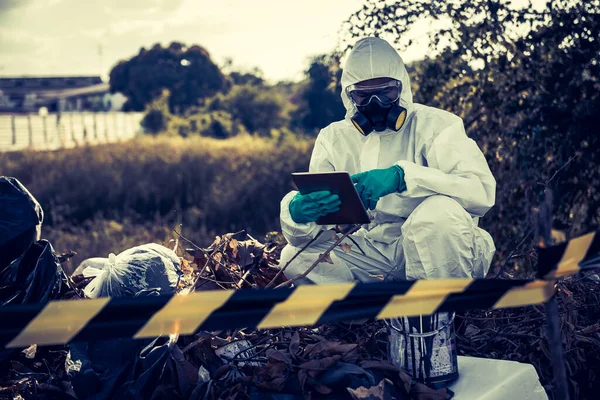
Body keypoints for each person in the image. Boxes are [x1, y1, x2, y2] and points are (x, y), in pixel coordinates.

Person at [278, 37, 496, 284]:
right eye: (363, 95)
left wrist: (403, 178)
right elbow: (322, 229)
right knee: (294, 256)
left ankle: (439, 317)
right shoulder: (333, 138)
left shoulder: (437, 125)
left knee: (437, 214)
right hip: (373, 253)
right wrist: (297, 214)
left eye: (386, 92)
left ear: (401, 87)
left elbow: (481, 193)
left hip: (443, 251)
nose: (376, 103)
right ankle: (357, 319)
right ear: (349, 95)